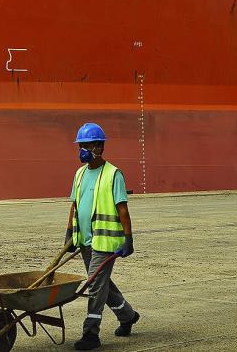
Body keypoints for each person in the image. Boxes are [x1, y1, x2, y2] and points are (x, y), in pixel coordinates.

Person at [65, 122, 139, 350]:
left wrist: (128, 239)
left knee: (95, 286)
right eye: (80, 146)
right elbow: (74, 205)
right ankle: (127, 316)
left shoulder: (113, 174)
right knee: (102, 283)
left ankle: (91, 334)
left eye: (86, 146)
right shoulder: (79, 174)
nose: (82, 151)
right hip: (85, 241)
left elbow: (122, 209)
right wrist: (69, 233)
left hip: (105, 241)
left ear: (99, 147)